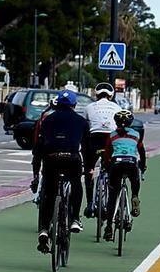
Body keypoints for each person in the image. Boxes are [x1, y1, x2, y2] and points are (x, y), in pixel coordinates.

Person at [32, 88, 90, 254]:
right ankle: (74, 219)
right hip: (72, 158)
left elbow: (38, 147)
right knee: (76, 185)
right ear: (74, 104)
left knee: (49, 193)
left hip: (51, 158)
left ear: (57, 103)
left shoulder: (47, 120)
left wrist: (37, 171)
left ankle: (44, 229)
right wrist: (90, 167)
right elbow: (86, 148)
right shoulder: (81, 121)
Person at [101, 109, 146, 242]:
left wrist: (106, 166)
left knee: (112, 197)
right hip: (131, 163)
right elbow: (141, 152)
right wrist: (143, 167)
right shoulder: (136, 134)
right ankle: (135, 196)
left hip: (116, 164)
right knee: (134, 180)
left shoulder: (112, 135)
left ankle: (109, 227)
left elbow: (107, 154)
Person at [82, 82, 121, 218]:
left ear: (96, 95)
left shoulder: (89, 107)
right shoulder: (116, 107)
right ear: (111, 95)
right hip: (110, 139)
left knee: (89, 168)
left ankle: (90, 204)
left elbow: (85, 126)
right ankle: (111, 204)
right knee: (113, 171)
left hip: (95, 138)